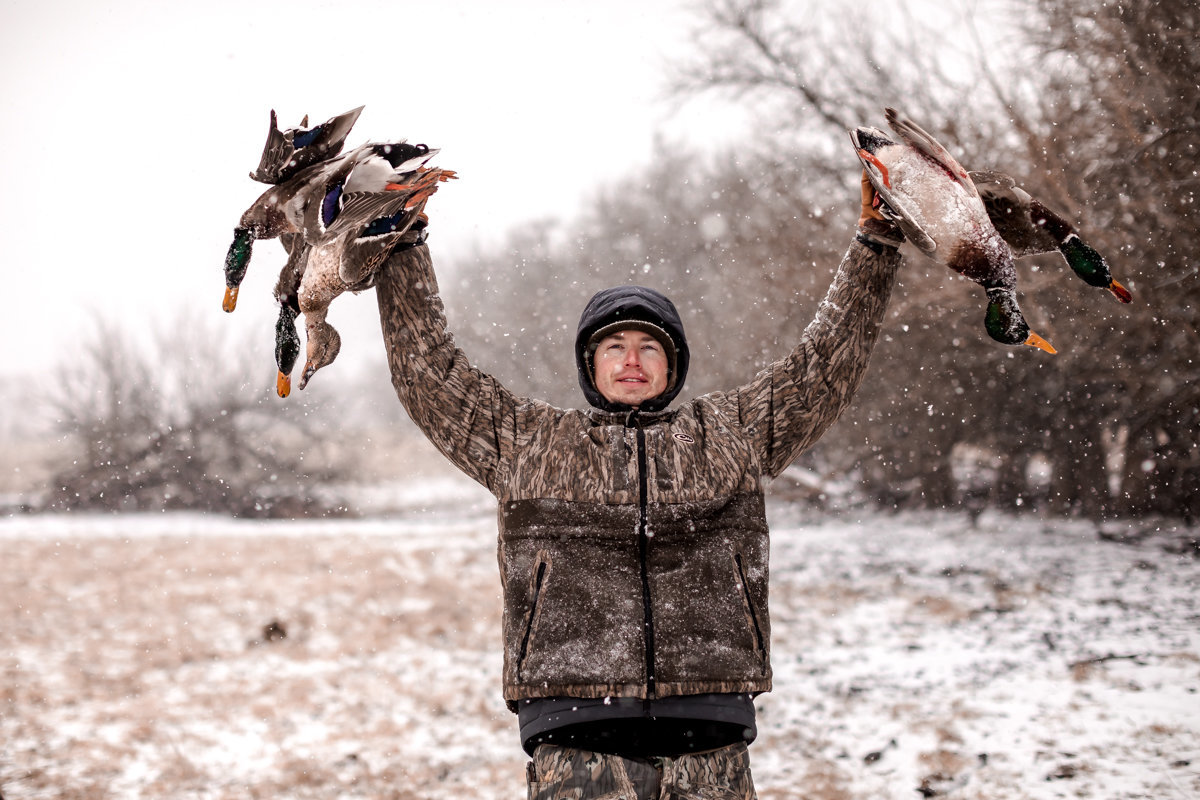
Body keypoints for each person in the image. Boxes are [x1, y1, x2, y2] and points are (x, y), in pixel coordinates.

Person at [373, 172, 905, 799]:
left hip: (710, 733)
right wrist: (402, 247)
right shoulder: (528, 441)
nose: (632, 360)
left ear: (673, 362)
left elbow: (825, 364)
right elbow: (429, 371)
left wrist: (875, 245)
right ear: (589, 364)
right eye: (615, 346)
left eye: (650, 345)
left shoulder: (729, 434)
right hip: (574, 733)